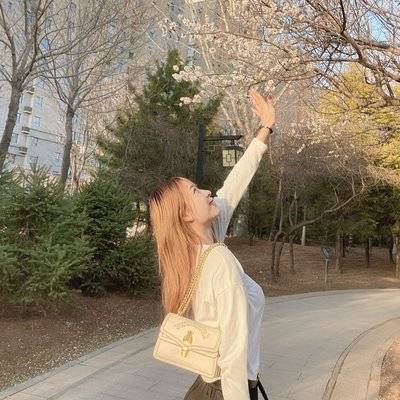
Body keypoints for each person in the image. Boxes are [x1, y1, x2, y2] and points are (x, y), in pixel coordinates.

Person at [148, 89, 275, 400]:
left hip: (210, 387)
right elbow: (232, 356)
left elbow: (234, 184)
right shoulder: (218, 260)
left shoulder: (196, 250)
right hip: (226, 391)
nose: (207, 192)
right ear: (186, 215)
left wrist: (266, 128)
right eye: (195, 191)